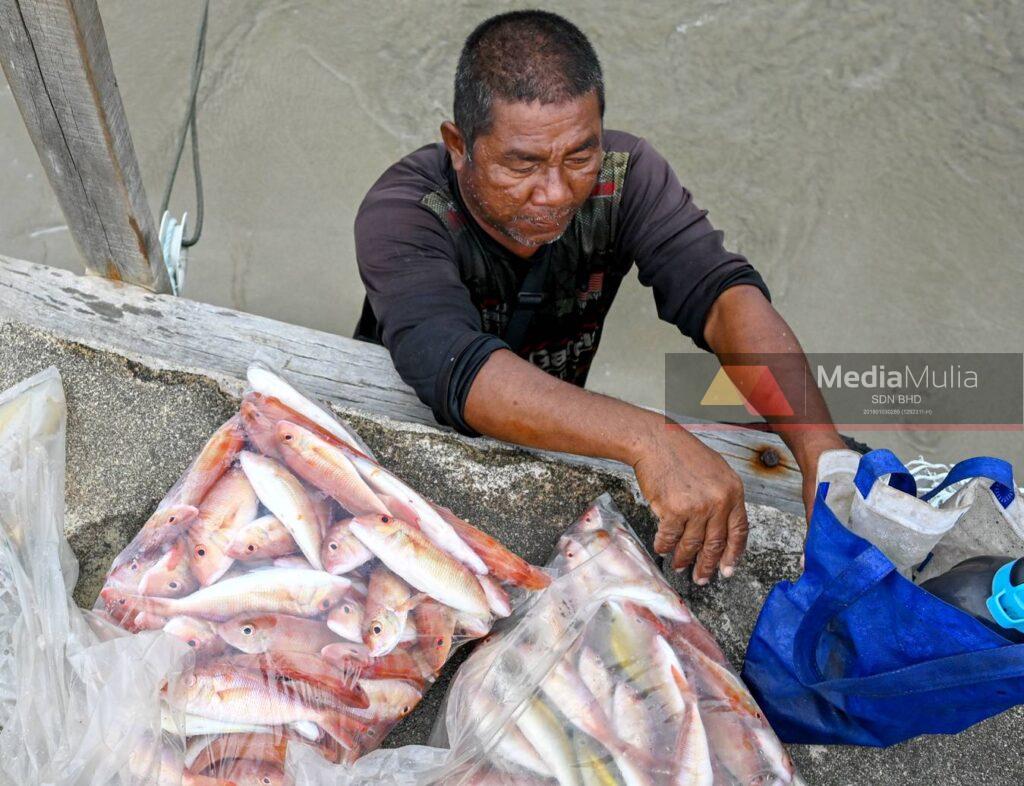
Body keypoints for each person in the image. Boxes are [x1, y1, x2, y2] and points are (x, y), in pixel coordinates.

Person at [354, 10, 845, 584]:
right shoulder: (404, 213)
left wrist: (821, 454)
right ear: (459, 146)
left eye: (579, 157)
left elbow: (720, 297)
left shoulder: (625, 178)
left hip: (557, 423)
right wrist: (651, 439)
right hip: (401, 430)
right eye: (522, 164)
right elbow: (457, 366)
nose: (556, 193)